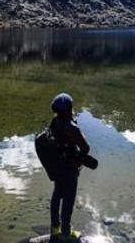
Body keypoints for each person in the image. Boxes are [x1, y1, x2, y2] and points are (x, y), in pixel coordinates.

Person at [49, 92, 90, 241]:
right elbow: (86, 148)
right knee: (68, 199)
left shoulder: (54, 122)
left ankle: (55, 228)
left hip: (57, 166)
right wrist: (80, 132)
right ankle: (66, 232)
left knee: (56, 195)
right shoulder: (73, 127)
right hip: (70, 169)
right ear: (70, 109)